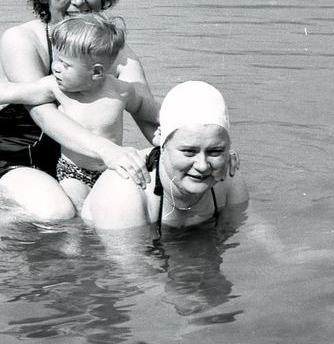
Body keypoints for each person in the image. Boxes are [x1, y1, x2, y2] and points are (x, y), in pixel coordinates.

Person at [0, 0, 160, 222]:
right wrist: (109, 151)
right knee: (58, 214)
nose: (78, 1)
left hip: (89, 165)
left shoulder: (118, 52)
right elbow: (44, 116)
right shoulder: (22, 39)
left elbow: (150, 117)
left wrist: (204, 145)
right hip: (25, 163)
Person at [0, 12, 159, 212]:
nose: (56, 67)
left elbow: (150, 110)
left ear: (96, 72)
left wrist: (168, 129)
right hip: (74, 174)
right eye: (56, 59)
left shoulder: (120, 92)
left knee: (118, 210)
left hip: (111, 169)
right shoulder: (54, 87)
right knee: (75, 217)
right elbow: (9, 91)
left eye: (65, 64)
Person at [81, 81, 249, 234]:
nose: (203, 166)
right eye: (189, 151)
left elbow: (251, 233)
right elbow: (129, 266)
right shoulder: (123, 191)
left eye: (215, 151)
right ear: (162, 142)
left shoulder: (229, 175)